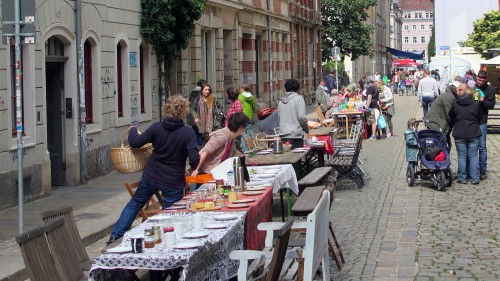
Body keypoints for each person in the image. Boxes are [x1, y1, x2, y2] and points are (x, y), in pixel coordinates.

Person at [107, 95, 200, 245]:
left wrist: (133, 130)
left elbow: (135, 142)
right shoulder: (187, 132)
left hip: (152, 175)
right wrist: (194, 167)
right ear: (184, 111)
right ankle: (165, 241)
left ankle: (116, 235)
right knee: (169, 212)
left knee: (135, 203)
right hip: (173, 180)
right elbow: (194, 158)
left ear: (167, 109)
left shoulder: (157, 127)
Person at [191, 112, 258, 176]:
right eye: (245, 126)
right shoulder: (222, 136)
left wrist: (250, 161)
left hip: (214, 171)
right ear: (240, 127)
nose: (246, 128)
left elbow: (235, 152)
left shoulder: (231, 137)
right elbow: (205, 151)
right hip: (203, 170)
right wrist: (196, 169)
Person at [449, 83, 483, 185]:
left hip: (459, 132)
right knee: (473, 156)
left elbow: (450, 115)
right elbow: (480, 117)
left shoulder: (455, 104)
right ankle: (475, 178)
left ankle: (462, 177)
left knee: (462, 156)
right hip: (473, 132)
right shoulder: (475, 104)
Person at [426, 79, 459, 150]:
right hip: (436, 123)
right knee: (441, 146)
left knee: (446, 144)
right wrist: (456, 124)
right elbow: (449, 114)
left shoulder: (449, 95)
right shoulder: (448, 96)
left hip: (438, 122)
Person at [475, 70, 496, 179]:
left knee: (482, 146)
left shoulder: (490, 89)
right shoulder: (472, 86)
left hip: (482, 121)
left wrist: (483, 101)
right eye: (479, 80)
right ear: (477, 77)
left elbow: (491, 105)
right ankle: (472, 169)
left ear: (486, 80)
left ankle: (483, 169)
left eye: (483, 81)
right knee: (471, 146)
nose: (480, 82)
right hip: (471, 121)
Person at [278, 78, 308, 148]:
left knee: (287, 157)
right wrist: (306, 129)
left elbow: (279, 117)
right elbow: (301, 117)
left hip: (283, 134)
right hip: (295, 134)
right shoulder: (299, 98)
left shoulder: (280, 101)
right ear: (297, 88)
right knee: (297, 157)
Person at [187, 79, 207, 146]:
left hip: (192, 118)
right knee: (201, 135)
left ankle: (196, 147)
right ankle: (200, 149)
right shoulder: (202, 94)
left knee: (195, 133)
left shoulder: (192, 93)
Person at [238, 84, 258, 151]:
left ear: (242, 89)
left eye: (240, 89)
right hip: (250, 116)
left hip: (243, 116)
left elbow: (239, 106)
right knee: (249, 133)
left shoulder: (240, 96)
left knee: (243, 134)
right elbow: (254, 106)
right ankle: (250, 148)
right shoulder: (251, 96)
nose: (240, 90)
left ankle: (245, 149)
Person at [364, 76, 380, 140]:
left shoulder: (370, 88)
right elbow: (378, 98)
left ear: (368, 82)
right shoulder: (376, 87)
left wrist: (366, 107)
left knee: (373, 121)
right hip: (376, 105)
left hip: (372, 106)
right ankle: (375, 134)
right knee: (375, 121)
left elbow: (369, 99)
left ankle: (373, 135)